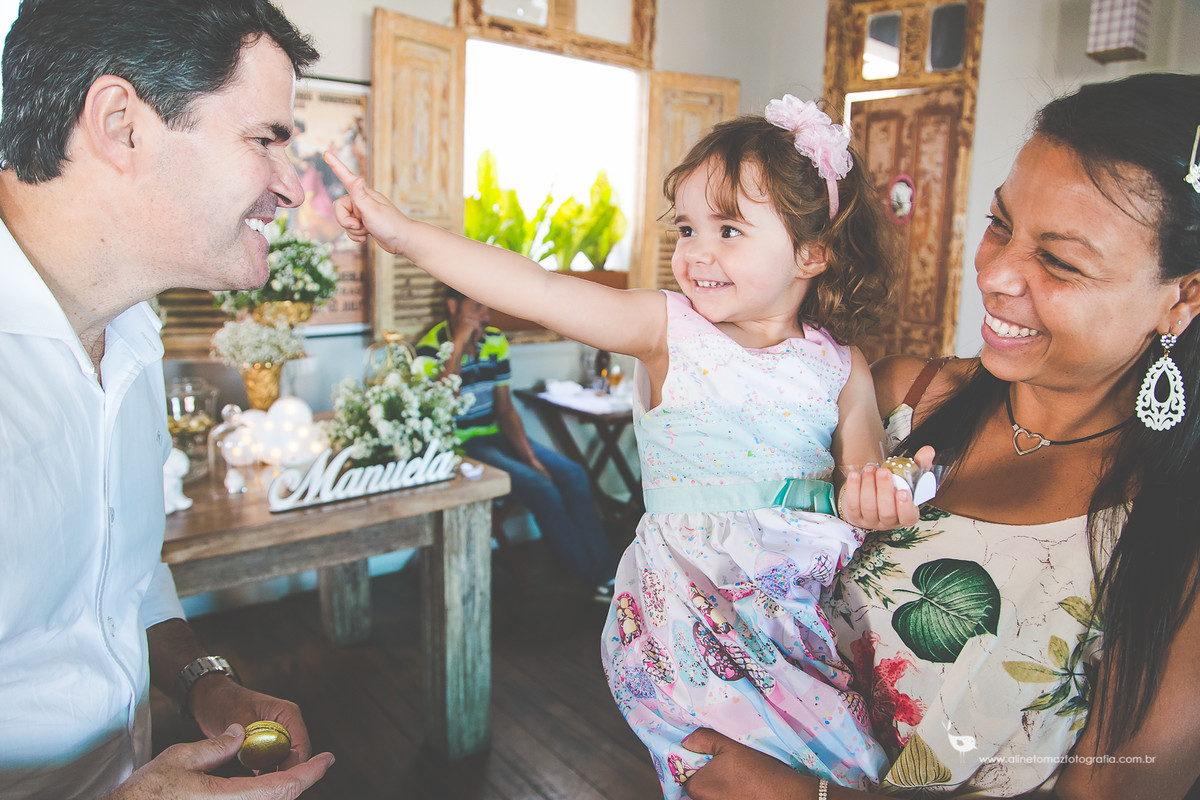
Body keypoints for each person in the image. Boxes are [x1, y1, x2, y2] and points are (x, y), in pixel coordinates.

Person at [323, 93, 927, 798]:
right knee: (719, 770)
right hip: (692, 611)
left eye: (729, 229)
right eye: (688, 229)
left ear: (813, 251)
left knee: (846, 767)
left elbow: (861, 475)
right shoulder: (667, 328)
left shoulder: (841, 364)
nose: (697, 254)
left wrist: (884, 492)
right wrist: (404, 235)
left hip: (798, 613)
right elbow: (537, 286)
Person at [679, 72, 1200, 799]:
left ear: (1184, 296)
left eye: (1059, 261)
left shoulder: (1173, 545)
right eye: (999, 224)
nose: (995, 274)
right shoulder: (894, 403)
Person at [0, 1, 335, 797]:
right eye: (265, 140)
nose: (291, 189)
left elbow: (121, 571)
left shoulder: (133, 331)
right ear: (121, 123)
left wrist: (203, 684)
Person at [414, 286, 619, 600]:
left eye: (488, 308)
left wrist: (531, 457)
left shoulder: (494, 341)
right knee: (541, 488)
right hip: (459, 446)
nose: (486, 315)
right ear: (453, 306)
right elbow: (442, 403)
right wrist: (458, 342)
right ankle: (591, 577)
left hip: (495, 433)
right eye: (478, 307)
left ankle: (610, 574)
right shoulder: (430, 348)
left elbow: (506, 408)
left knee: (574, 474)